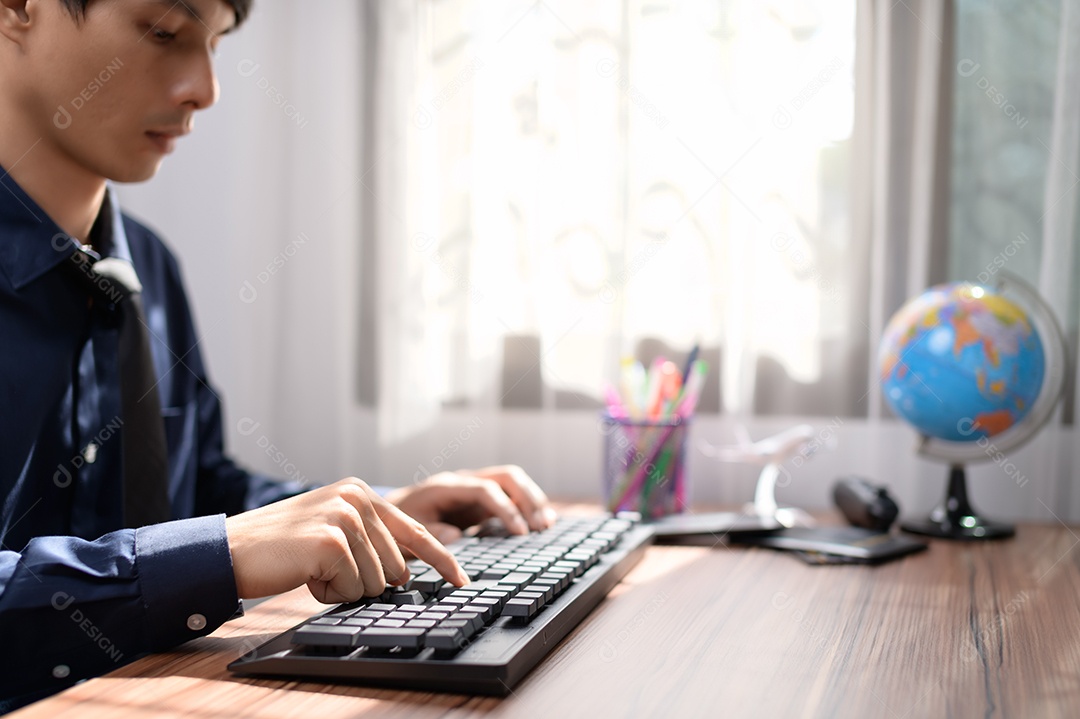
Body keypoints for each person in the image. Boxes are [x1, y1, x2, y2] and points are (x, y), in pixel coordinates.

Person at [0, 0, 555, 711]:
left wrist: (375, 514)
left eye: (217, 43)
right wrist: (218, 555)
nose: (204, 88)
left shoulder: (151, 271)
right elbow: (213, 540)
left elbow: (203, 492)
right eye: (164, 31)